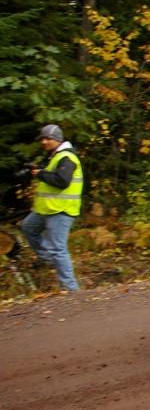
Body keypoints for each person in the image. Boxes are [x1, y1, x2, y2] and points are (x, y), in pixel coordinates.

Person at [21, 124, 84, 292]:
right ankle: (48, 258)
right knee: (28, 227)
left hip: (61, 210)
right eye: (42, 138)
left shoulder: (67, 157)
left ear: (57, 139)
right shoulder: (54, 157)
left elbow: (62, 181)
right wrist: (40, 170)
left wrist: (40, 174)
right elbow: (53, 177)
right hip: (46, 209)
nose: (44, 142)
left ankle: (71, 290)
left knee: (59, 249)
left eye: (47, 138)